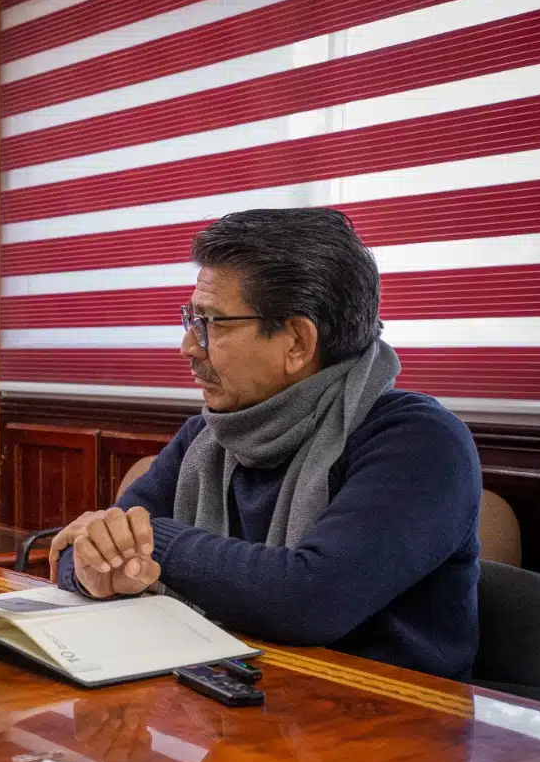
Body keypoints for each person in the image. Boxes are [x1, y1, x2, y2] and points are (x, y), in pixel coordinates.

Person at [49, 208, 481, 678]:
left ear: (297, 342)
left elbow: (310, 599)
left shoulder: (418, 442)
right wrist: (92, 567)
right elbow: (98, 542)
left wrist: (154, 541)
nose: (188, 346)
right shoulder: (209, 433)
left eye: (213, 323)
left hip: (386, 724)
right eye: (192, 319)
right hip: (227, 700)